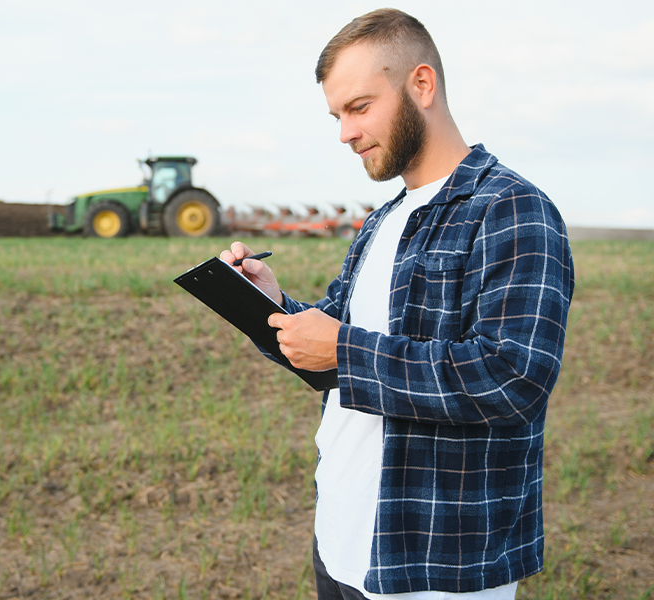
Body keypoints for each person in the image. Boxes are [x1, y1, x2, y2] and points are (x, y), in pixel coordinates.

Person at [221, 8, 575, 600]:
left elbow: (513, 378)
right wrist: (271, 304)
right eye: (337, 116)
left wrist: (343, 348)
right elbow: (335, 354)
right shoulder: (383, 219)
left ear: (421, 84)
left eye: (359, 107)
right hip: (340, 539)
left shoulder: (511, 208)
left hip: (434, 564)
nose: (345, 133)